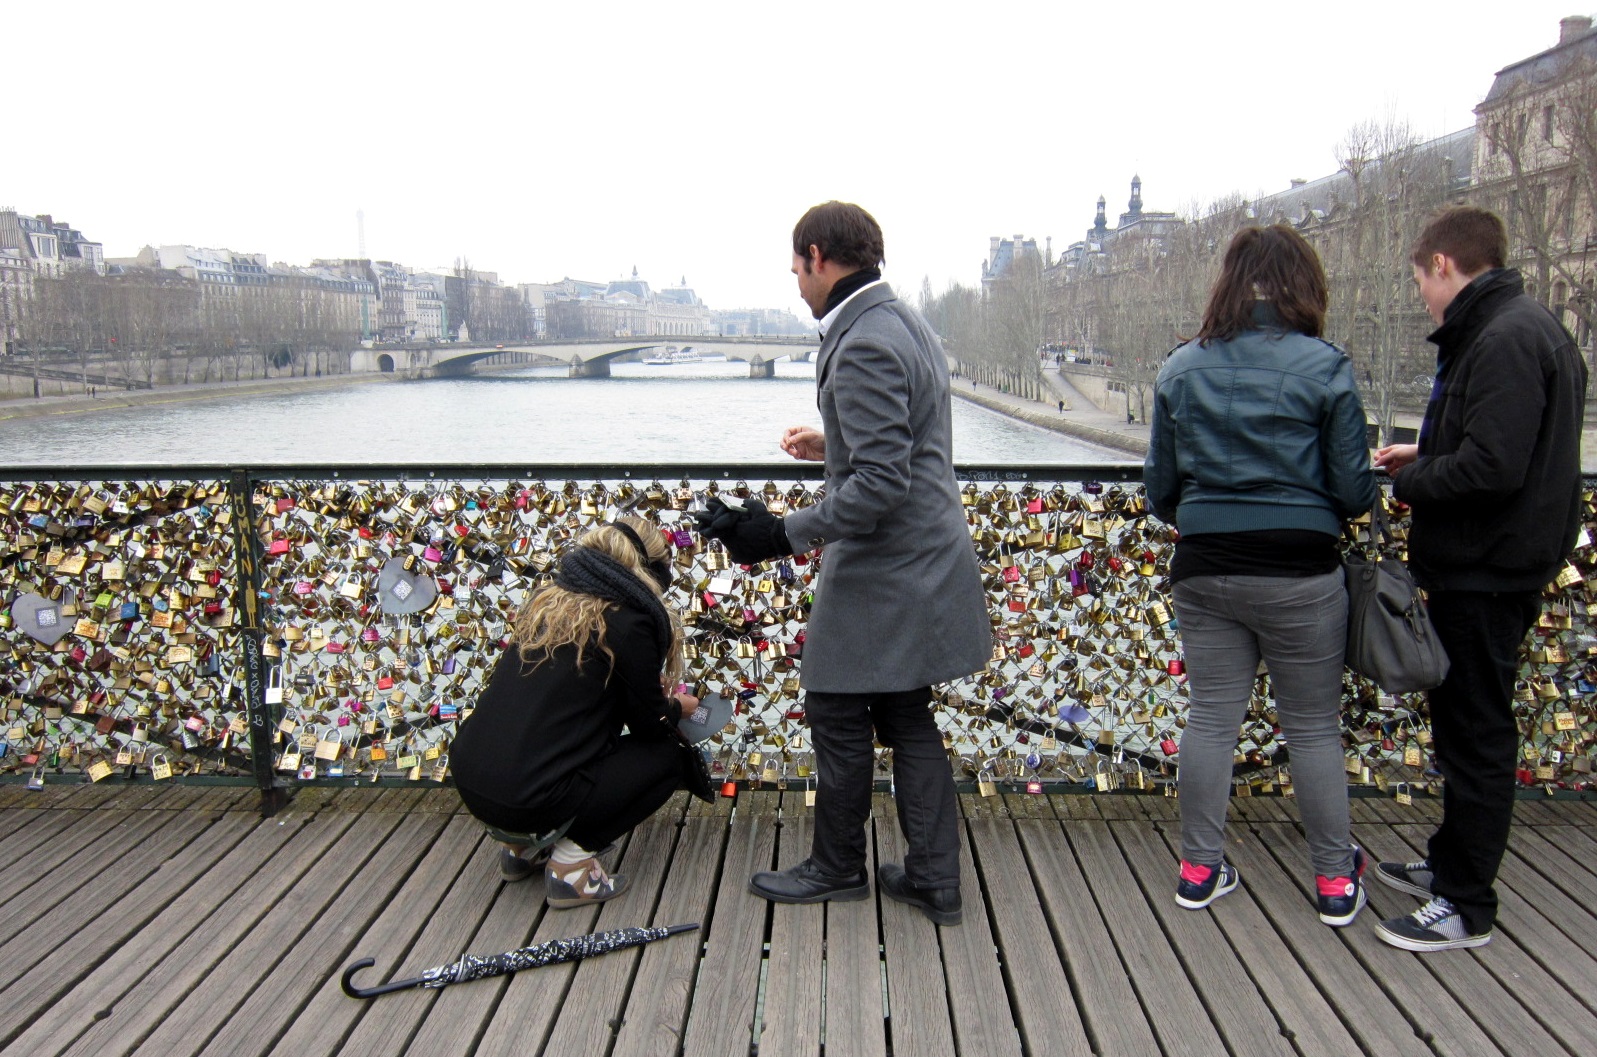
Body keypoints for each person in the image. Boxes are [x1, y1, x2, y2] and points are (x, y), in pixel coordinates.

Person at [696, 201, 990, 926]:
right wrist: (835, 446)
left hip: (887, 565)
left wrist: (778, 532)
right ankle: (933, 877)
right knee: (905, 710)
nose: (796, 284)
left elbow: (882, 485)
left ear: (819, 255)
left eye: (796, 268)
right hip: (928, 551)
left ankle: (836, 865)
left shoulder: (859, 342)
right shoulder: (903, 320)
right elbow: (907, 448)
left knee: (832, 704)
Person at [1144, 224, 1377, 927]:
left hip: (1206, 565)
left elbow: (1160, 491)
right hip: (1300, 569)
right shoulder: (1325, 366)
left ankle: (1197, 869)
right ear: (1303, 286)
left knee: (1210, 718)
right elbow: (1353, 490)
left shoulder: (1180, 368)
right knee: (1311, 726)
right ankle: (1335, 881)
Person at [1371, 206, 1585, 952]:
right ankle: (1449, 866)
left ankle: (1465, 904)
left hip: (1485, 572)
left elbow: (1492, 469)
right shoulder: (1520, 330)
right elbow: (1498, 449)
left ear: (1440, 265)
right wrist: (1419, 451)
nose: (1423, 298)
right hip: (1491, 565)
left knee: (1477, 735)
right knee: (1467, 729)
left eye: (1419, 281)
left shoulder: (1500, 340)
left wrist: (1413, 479)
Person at [450, 516, 698, 908]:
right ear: (650, 571)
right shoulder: (629, 619)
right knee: (669, 758)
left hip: (472, 780)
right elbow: (651, 726)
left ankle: (519, 849)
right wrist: (677, 707)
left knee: (543, 736)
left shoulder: (547, 600)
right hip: (530, 797)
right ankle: (570, 868)